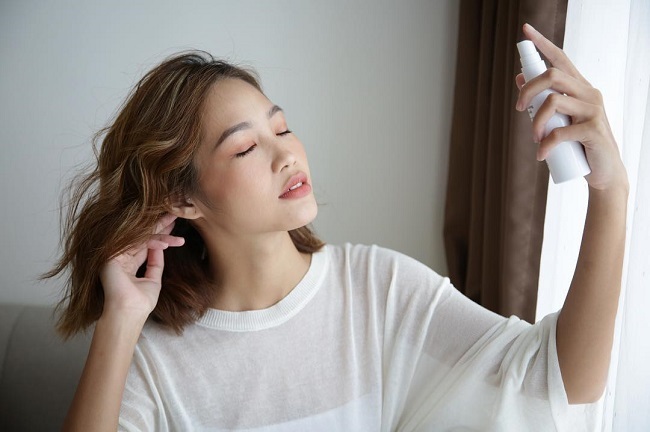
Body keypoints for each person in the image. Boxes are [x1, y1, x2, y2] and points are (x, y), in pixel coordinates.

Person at [47, 23, 628, 431]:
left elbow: (562, 381)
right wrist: (120, 321)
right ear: (183, 197)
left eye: (282, 128)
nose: (286, 154)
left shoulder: (377, 290)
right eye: (246, 147)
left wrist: (612, 193)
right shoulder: (155, 357)